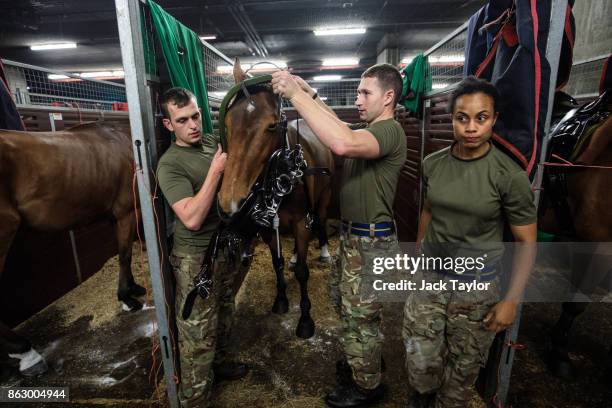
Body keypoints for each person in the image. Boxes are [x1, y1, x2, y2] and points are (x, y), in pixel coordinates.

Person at [272, 64, 407, 407]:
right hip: (353, 239)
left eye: (366, 93)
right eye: (359, 93)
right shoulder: (369, 129)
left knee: (361, 316)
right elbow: (341, 127)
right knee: (346, 306)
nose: (358, 99)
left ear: (388, 96)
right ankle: (366, 362)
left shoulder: (390, 131)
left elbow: (342, 143)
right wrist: (311, 94)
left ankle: (367, 389)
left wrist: (295, 97)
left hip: (371, 243)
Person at [402, 76, 537, 408]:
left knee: (461, 374)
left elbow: (527, 243)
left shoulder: (509, 176)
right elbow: (429, 209)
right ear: (452, 119)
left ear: (494, 119)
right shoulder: (432, 163)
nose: (471, 127)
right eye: (462, 118)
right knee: (420, 359)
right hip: (430, 279)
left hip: (475, 288)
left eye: (482, 117)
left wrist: (510, 302)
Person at [156, 87, 249, 408]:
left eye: (196, 116)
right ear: (169, 125)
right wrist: (215, 171)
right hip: (194, 257)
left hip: (224, 249)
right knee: (197, 334)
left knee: (225, 314)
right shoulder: (170, 165)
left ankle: (220, 366)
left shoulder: (211, 142)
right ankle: (194, 399)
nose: (193, 125)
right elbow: (192, 218)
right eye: (182, 120)